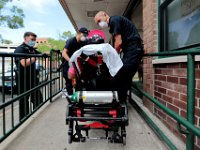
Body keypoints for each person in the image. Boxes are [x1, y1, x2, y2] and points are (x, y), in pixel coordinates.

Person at [94, 11, 144, 102]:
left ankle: (118, 102)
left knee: (121, 75)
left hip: (133, 49)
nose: (99, 24)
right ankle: (121, 101)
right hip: (132, 50)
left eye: (99, 21)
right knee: (124, 77)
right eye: (97, 23)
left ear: (105, 15)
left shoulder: (114, 20)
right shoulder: (116, 22)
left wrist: (113, 57)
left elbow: (118, 43)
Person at [14, 32, 43, 120]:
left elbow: (41, 53)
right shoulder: (20, 49)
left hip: (32, 79)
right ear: (25, 38)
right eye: (32, 40)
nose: (33, 42)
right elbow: (23, 63)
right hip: (23, 80)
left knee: (38, 100)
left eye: (34, 40)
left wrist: (45, 54)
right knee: (24, 103)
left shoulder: (31, 49)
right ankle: (24, 121)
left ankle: (36, 118)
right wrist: (36, 56)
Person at [62, 27, 89, 95]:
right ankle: (70, 98)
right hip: (67, 63)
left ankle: (77, 97)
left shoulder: (83, 42)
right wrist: (70, 61)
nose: (85, 37)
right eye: (84, 35)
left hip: (76, 64)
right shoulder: (71, 41)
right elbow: (64, 53)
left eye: (86, 35)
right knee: (69, 81)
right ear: (79, 33)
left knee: (78, 81)